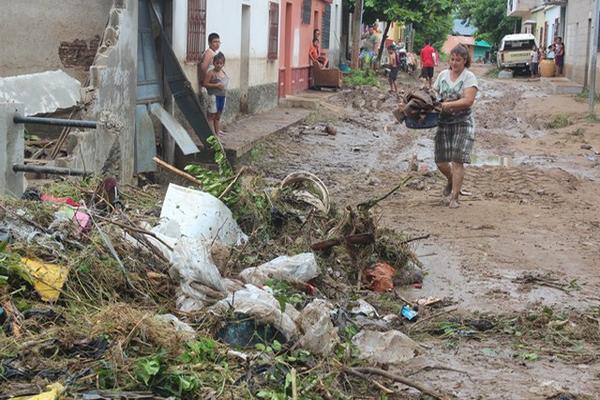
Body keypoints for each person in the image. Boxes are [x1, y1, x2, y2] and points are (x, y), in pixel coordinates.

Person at [433, 44, 479, 209]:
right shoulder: (443, 75)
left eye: (458, 60)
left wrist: (446, 105)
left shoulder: (469, 77)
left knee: (457, 160)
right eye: (452, 59)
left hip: (463, 122)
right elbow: (434, 94)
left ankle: (455, 197)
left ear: (465, 60)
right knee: (440, 160)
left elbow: (468, 101)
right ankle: (451, 179)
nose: (454, 63)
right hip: (443, 122)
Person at [203, 52, 229, 137]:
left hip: (222, 97)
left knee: (218, 116)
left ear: (223, 64)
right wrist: (216, 85)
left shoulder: (223, 73)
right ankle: (212, 134)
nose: (219, 65)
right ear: (214, 63)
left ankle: (217, 133)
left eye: (221, 63)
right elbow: (205, 84)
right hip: (213, 96)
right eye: (217, 63)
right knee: (211, 116)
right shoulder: (211, 73)